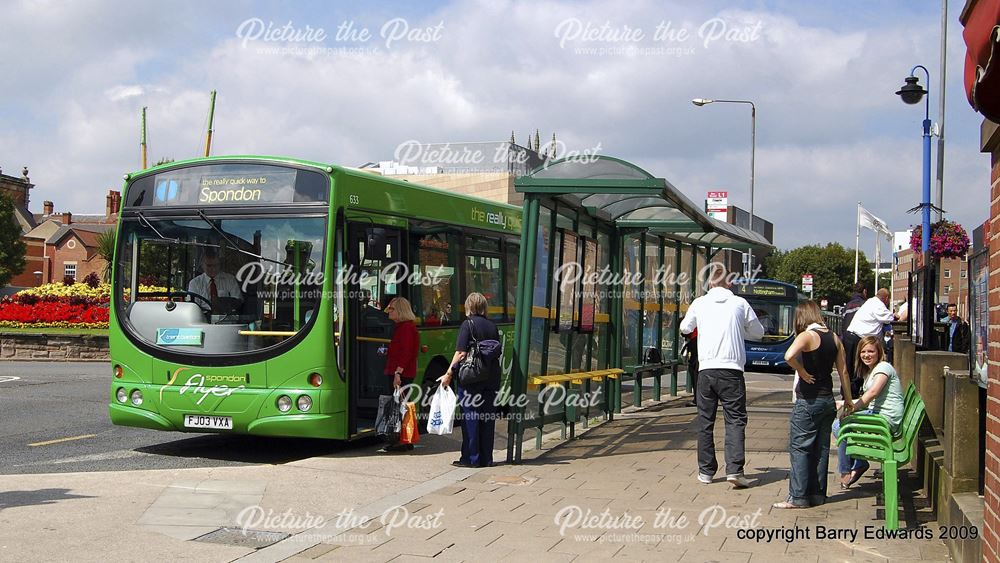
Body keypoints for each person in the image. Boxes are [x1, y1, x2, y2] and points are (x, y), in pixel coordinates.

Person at [680, 265, 764, 489]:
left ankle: (706, 472)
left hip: (706, 370)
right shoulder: (740, 303)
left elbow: (685, 327)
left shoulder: (699, 303)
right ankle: (735, 470)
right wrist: (740, 330)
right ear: (729, 283)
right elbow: (759, 332)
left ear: (709, 283)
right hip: (732, 371)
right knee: (735, 420)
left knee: (705, 421)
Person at [773, 301, 853, 509]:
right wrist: (849, 399)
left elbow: (788, 356)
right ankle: (818, 495)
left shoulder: (807, 336)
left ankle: (798, 497)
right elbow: (844, 372)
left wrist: (801, 371)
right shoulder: (835, 338)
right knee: (822, 448)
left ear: (802, 317)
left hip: (808, 400)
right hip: (827, 400)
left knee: (800, 448)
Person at [438, 292, 501, 468]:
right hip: (491, 377)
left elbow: (461, 353)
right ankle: (486, 459)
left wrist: (449, 374)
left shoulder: (468, 324)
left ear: (469, 306)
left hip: (472, 378)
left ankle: (471, 458)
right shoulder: (492, 326)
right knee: (487, 418)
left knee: (470, 417)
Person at [832, 336, 905, 489]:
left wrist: (852, 408)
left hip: (886, 419)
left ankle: (847, 471)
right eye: (863, 351)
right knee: (840, 425)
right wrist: (847, 403)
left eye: (871, 351)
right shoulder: (870, 371)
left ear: (879, 352)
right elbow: (868, 398)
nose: (866, 355)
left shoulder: (883, 367)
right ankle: (859, 463)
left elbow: (873, 392)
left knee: (842, 426)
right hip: (878, 415)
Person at [381, 297, 420, 452]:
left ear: (400, 311)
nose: (389, 312)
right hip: (400, 371)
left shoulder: (406, 328)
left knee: (400, 407)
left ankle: (401, 440)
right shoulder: (403, 327)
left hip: (400, 373)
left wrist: (398, 372)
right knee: (402, 405)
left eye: (392, 309)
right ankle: (404, 439)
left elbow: (407, 352)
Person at [844, 287, 895, 392]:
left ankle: (849, 394)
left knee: (851, 369)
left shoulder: (870, 302)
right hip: (856, 338)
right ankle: (851, 396)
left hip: (852, 337)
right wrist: (897, 315)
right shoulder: (877, 305)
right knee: (855, 369)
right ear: (886, 298)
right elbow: (889, 318)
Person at [840, 283, 868, 382]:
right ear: (864, 291)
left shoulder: (847, 306)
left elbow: (843, 322)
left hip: (847, 337)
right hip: (860, 337)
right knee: (859, 363)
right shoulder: (865, 304)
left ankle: (846, 389)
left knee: (847, 364)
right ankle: (856, 387)